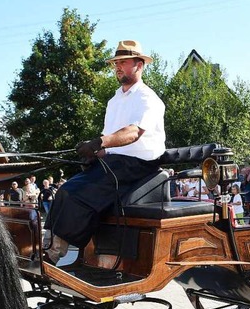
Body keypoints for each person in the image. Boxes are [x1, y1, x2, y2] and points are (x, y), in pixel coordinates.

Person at [43, 40, 165, 265]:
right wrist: (94, 153)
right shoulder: (114, 101)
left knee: (74, 192)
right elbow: (109, 141)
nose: (118, 67)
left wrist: (99, 142)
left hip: (138, 165)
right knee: (63, 191)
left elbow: (133, 132)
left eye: (123, 62)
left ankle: (53, 253)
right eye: (115, 63)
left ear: (139, 65)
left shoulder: (148, 98)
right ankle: (50, 247)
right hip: (116, 161)